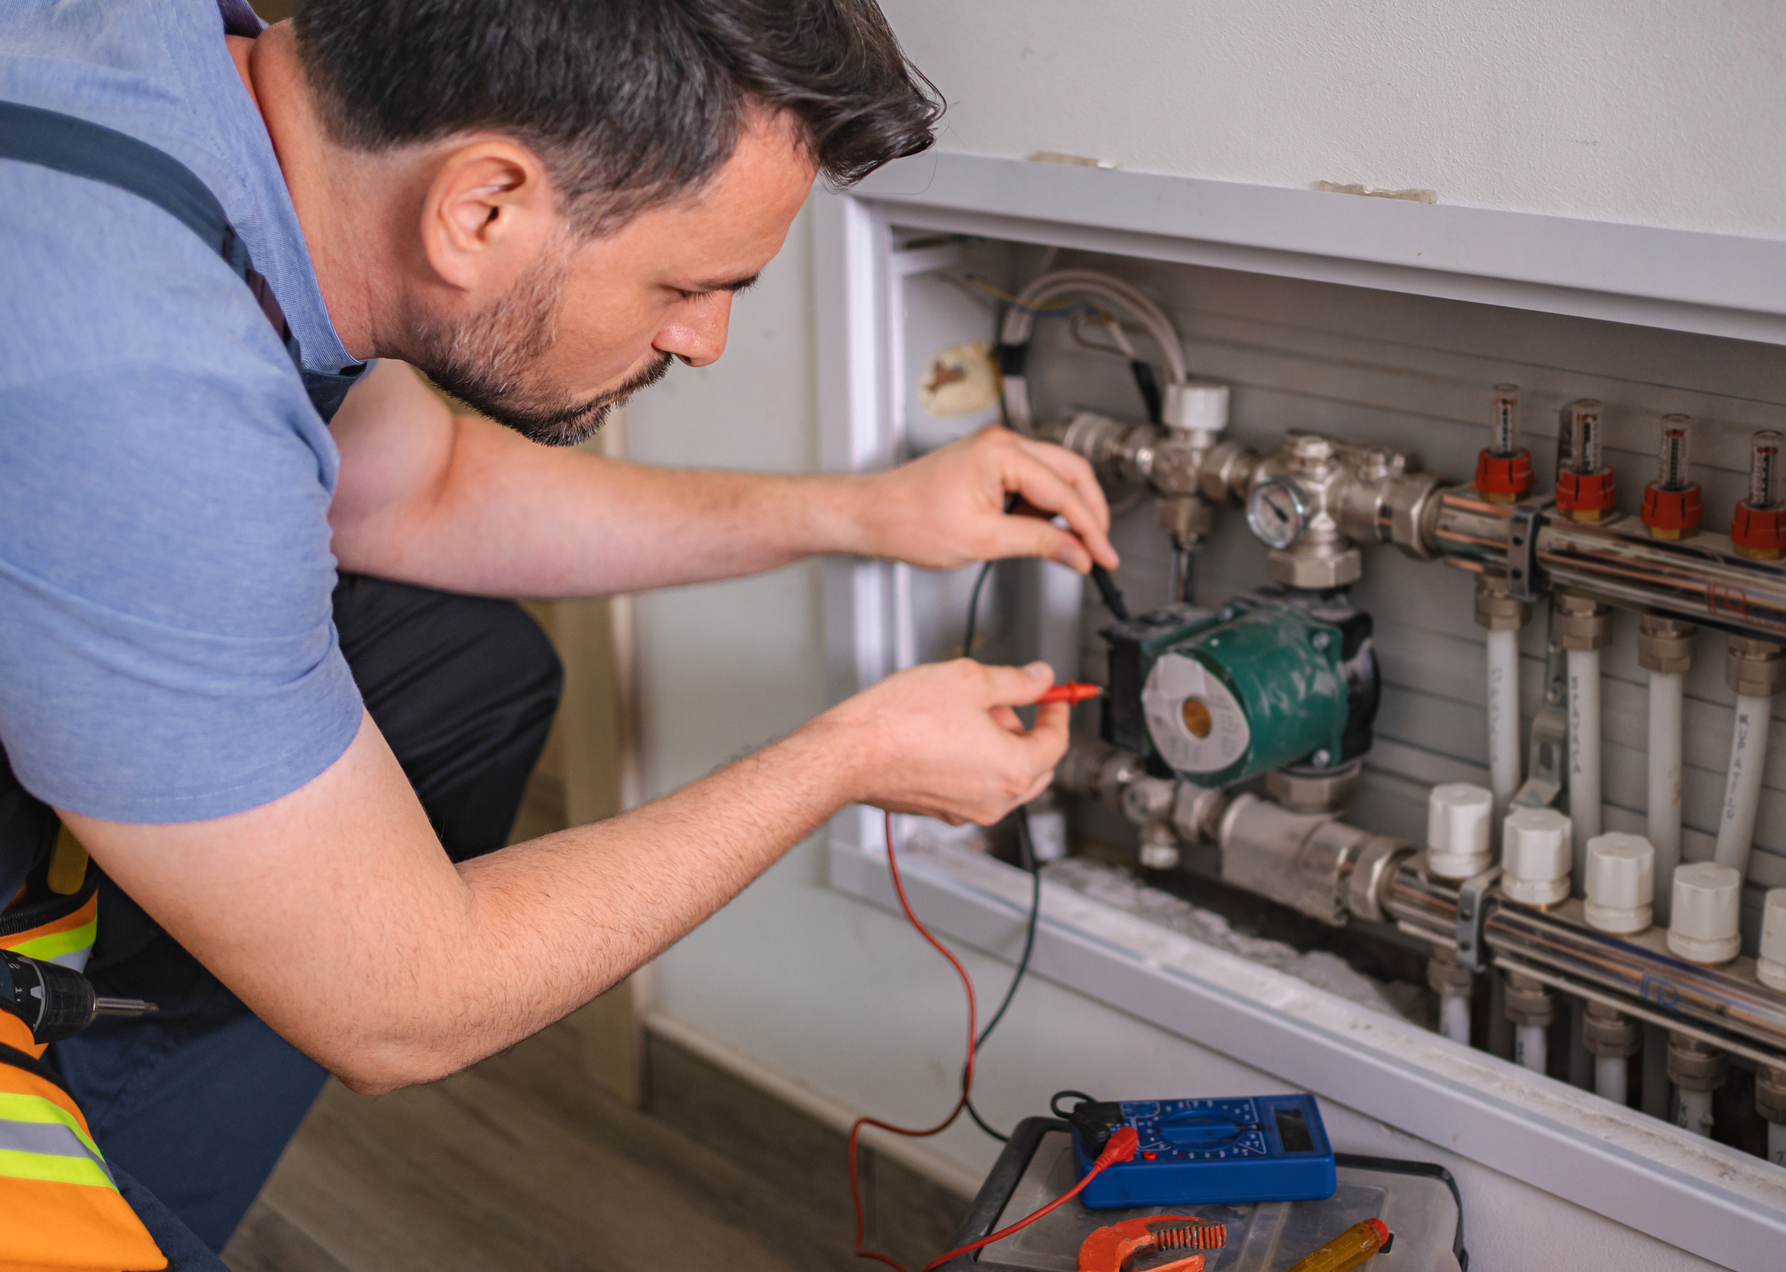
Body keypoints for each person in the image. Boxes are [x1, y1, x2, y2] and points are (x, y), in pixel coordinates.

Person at [0, 1, 1119, 1265]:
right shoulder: (136, 380)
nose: (703, 338)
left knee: (467, 676)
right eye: (687, 284)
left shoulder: (183, 73)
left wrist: (862, 512)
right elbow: (401, 1007)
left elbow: (420, 493)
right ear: (481, 209)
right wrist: (846, 759)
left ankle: (131, 1161)